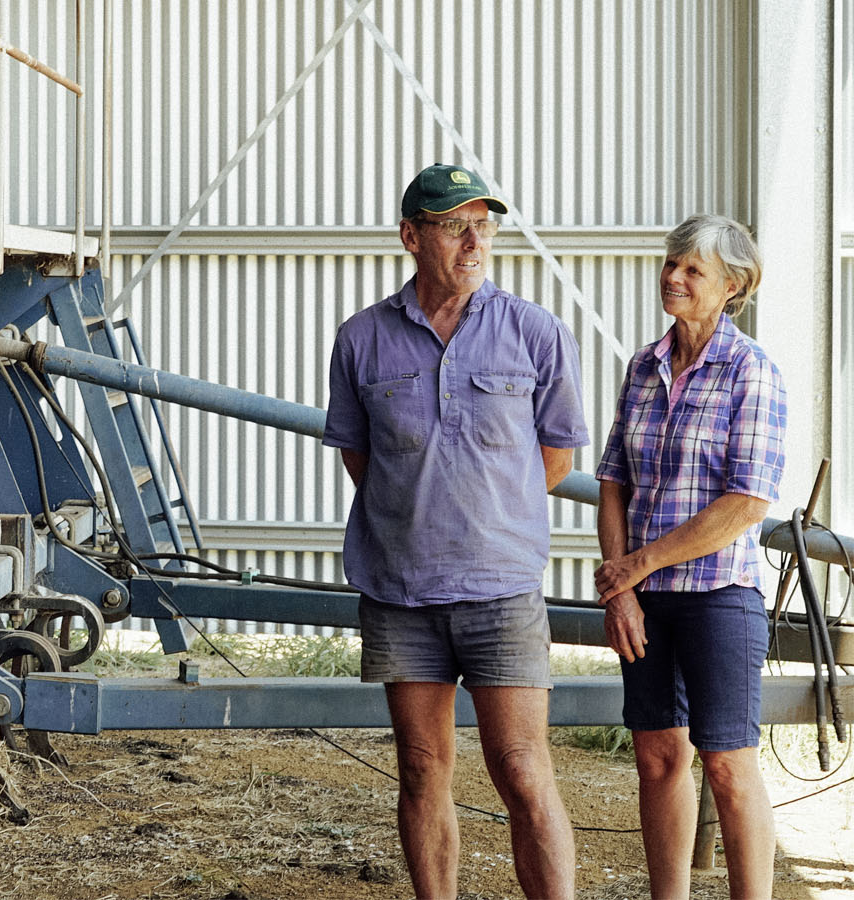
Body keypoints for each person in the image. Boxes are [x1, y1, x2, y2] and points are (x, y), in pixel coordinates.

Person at [324, 163, 588, 900]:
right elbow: (359, 454)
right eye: (452, 224)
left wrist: (484, 513)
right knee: (420, 765)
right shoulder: (362, 339)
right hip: (400, 589)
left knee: (522, 767)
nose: (474, 240)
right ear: (411, 236)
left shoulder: (534, 332)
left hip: (501, 589)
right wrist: (424, 507)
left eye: (485, 223)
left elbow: (557, 455)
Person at [593, 214, 786, 900]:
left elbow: (747, 502)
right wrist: (621, 593)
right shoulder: (643, 366)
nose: (674, 276)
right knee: (656, 756)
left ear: (732, 286)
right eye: (672, 262)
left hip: (718, 596)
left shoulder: (751, 370)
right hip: (643, 600)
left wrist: (632, 570)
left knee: (728, 763)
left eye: (693, 269)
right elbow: (613, 479)